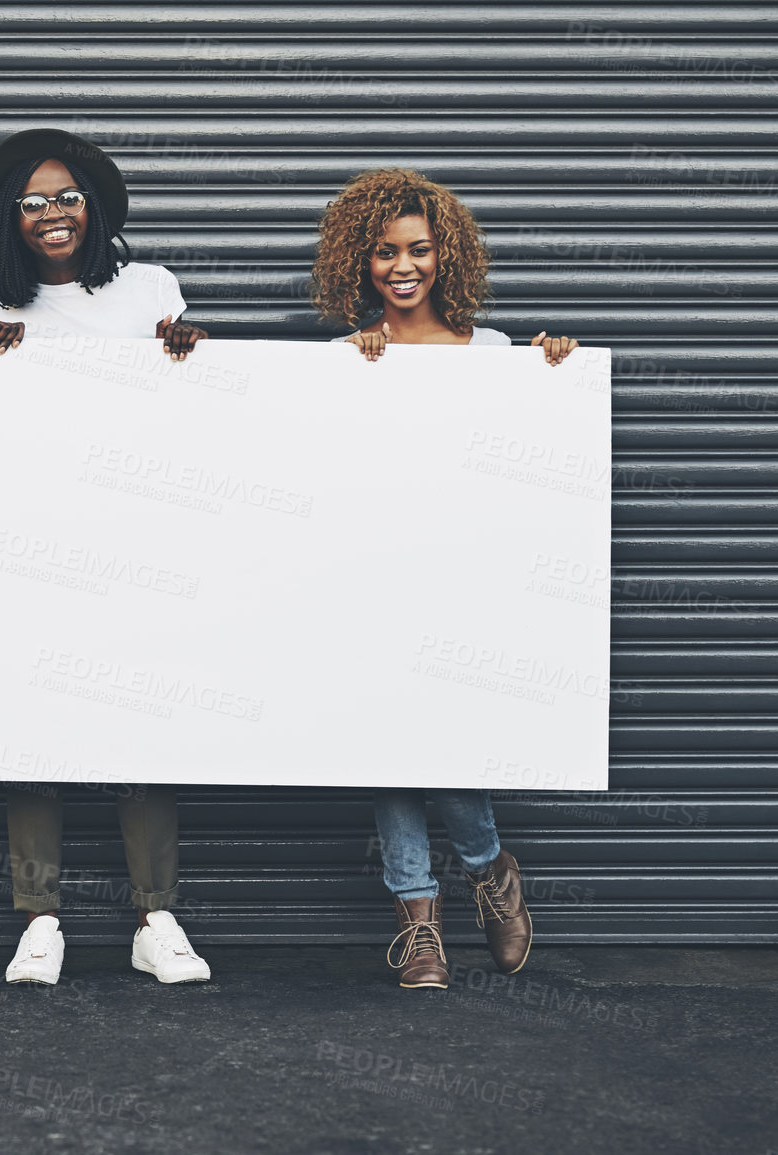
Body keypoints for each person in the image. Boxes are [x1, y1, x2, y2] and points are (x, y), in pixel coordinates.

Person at [310, 167, 579, 990]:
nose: (402, 265)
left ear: (444, 255)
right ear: (358, 263)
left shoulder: (494, 356)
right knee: (385, 752)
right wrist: (350, 376)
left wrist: (552, 377)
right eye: (384, 251)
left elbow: (529, 452)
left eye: (418, 249)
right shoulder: (341, 358)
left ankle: (489, 868)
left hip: (466, 583)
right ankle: (418, 925)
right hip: (372, 581)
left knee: (448, 740)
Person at [0, 128, 212, 986]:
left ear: (93, 206)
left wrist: (190, 357)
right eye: (30, 203)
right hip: (39, 552)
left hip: (142, 547)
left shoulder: (149, 289)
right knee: (33, 739)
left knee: (143, 728)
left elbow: (187, 414)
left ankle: (156, 917)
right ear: (11, 220)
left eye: (65, 197)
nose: (51, 214)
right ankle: (39, 922)